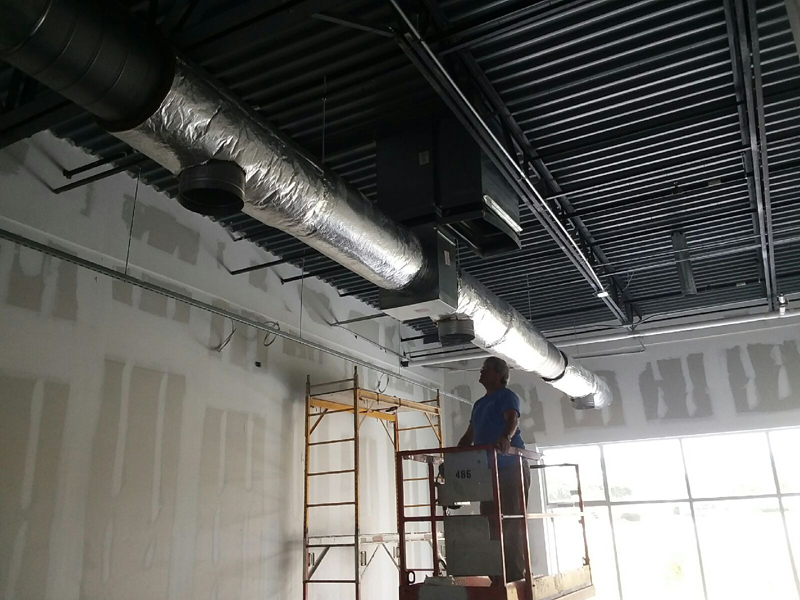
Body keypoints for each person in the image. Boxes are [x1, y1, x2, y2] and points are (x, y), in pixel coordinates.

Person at [457, 356, 531, 582]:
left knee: (511, 521)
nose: (481, 373)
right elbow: (469, 436)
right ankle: (497, 577)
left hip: (511, 467)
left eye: (485, 369)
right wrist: (454, 458)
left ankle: (515, 577)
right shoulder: (479, 404)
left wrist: (505, 438)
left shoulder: (507, 396)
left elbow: (512, 419)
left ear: (499, 374)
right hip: (489, 471)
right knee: (489, 522)